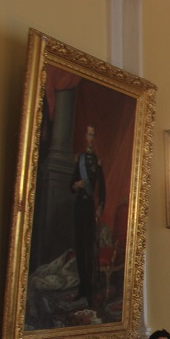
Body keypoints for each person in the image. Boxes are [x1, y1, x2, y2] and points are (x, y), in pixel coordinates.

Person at [71, 124, 106, 302]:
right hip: (80, 207)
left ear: (95, 138)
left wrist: (99, 208)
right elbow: (70, 185)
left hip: (90, 208)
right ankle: (82, 287)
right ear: (85, 137)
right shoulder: (79, 160)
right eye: (89, 134)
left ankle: (91, 288)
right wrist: (76, 185)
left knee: (90, 247)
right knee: (80, 246)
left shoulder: (98, 162)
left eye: (93, 135)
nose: (91, 138)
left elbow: (103, 189)